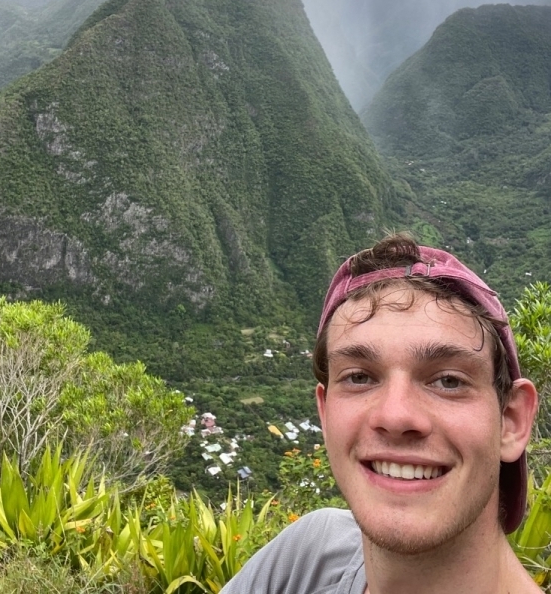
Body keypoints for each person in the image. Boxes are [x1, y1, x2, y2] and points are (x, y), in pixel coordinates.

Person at [222, 234, 540, 593]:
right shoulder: (302, 562)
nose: (395, 416)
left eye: (449, 381)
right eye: (359, 377)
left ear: (511, 421)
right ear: (325, 413)